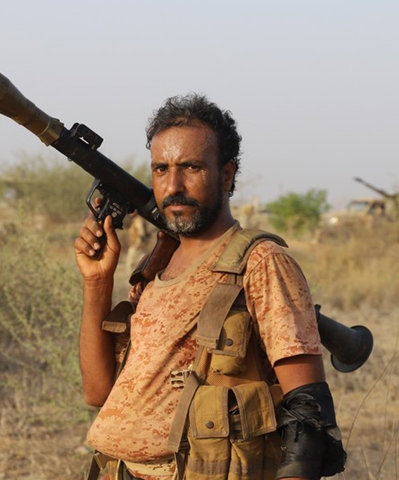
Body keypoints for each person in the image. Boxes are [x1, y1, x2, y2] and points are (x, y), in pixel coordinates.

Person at [74, 94, 345, 480]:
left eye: (192, 168)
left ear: (228, 174)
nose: (173, 186)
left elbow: (308, 416)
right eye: (161, 169)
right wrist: (97, 282)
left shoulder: (261, 262)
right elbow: (98, 392)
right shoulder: (156, 267)